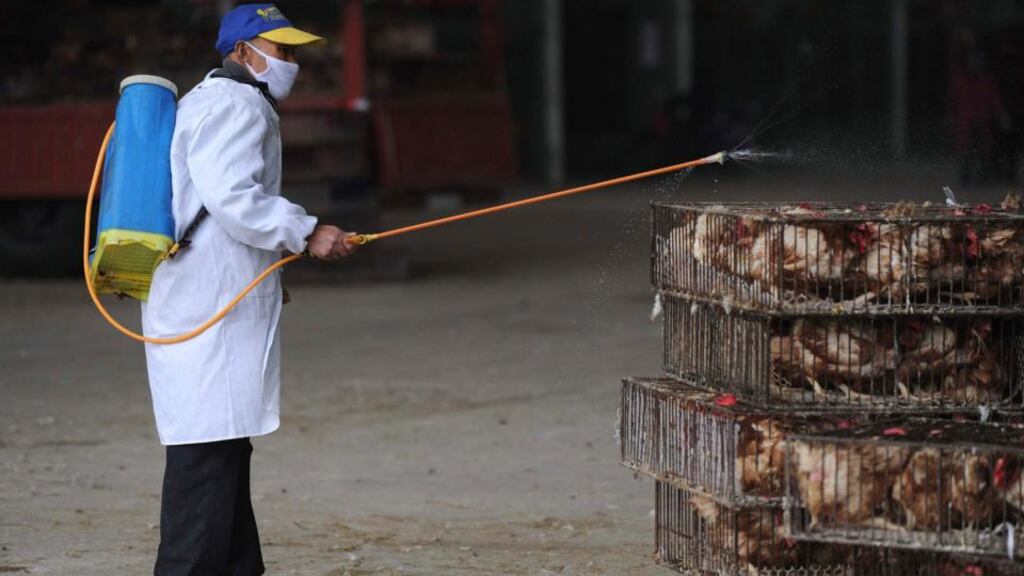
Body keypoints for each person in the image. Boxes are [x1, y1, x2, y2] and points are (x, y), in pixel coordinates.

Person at [140, 4, 355, 574]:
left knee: (224, 455)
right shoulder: (235, 105)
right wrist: (307, 232)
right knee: (206, 464)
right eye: (281, 50)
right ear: (243, 52)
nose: (290, 62)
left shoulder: (216, 100)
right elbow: (234, 199)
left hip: (210, 297)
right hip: (208, 309)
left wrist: (268, 271)